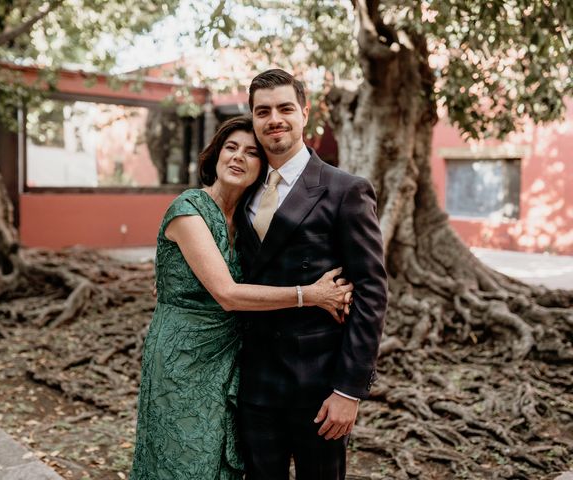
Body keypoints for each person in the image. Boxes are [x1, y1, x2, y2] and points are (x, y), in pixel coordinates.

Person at [129, 116, 354, 480]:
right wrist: (310, 295)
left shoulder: (249, 218)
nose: (238, 158)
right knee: (185, 459)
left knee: (224, 461)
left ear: (263, 167)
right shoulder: (189, 209)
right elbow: (228, 293)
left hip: (232, 361)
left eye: (251, 152)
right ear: (215, 156)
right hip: (182, 360)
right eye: (230, 148)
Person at [235, 69, 388, 479]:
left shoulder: (344, 190)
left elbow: (372, 292)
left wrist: (349, 390)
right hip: (254, 382)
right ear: (252, 118)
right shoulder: (243, 189)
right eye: (262, 111)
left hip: (319, 386)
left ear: (304, 113)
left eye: (285, 108)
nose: (274, 119)